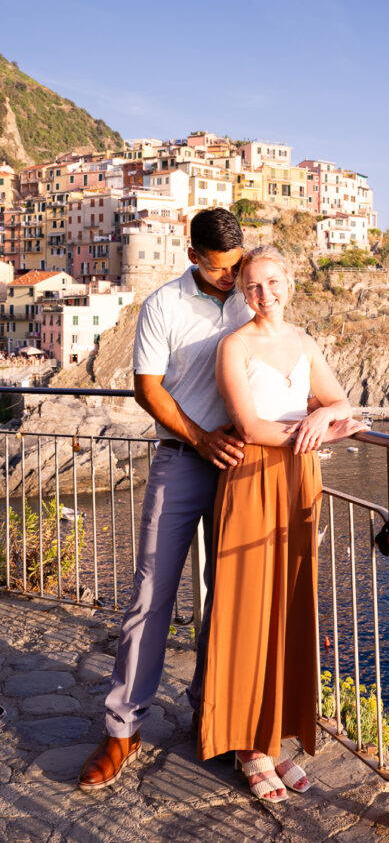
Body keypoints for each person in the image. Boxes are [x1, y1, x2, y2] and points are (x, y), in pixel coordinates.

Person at [78, 207, 252, 792]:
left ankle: (215, 716)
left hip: (243, 468)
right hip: (182, 460)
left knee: (231, 599)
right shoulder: (163, 306)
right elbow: (147, 389)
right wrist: (201, 440)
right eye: (221, 269)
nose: (231, 278)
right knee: (150, 595)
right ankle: (121, 729)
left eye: (236, 267)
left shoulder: (253, 294)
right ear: (193, 255)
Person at [197, 245, 361, 803]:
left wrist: (321, 414)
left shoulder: (305, 343)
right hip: (250, 481)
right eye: (251, 288)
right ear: (243, 294)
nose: (262, 296)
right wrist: (317, 431)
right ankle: (247, 746)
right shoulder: (233, 345)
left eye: (270, 283)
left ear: (289, 283)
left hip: (299, 480)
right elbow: (247, 425)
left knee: (288, 608)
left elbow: (344, 405)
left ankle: (273, 738)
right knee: (247, 610)